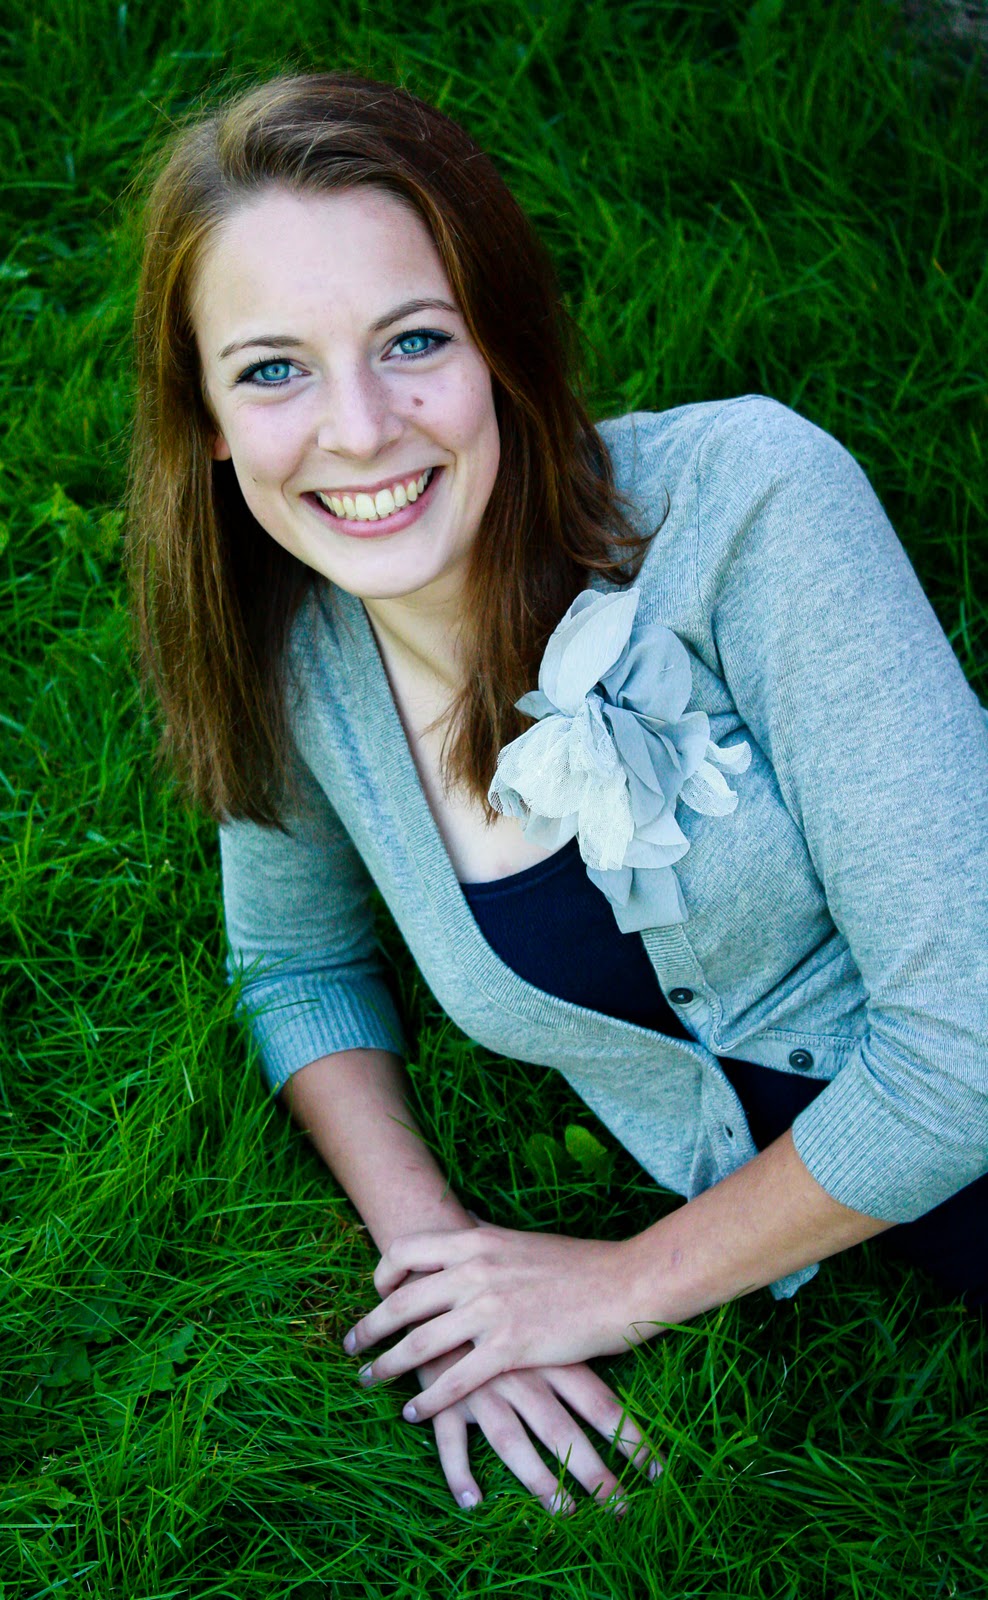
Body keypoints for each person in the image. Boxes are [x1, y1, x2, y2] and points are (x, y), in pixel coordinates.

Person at [126, 71, 988, 1515]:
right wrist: (446, 1272)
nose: (359, 429)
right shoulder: (293, 656)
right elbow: (295, 963)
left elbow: (970, 1046)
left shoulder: (750, 502)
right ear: (206, 418)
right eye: (272, 370)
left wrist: (620, 1284)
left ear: (503, 343)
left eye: (414, 341)